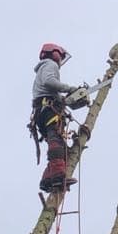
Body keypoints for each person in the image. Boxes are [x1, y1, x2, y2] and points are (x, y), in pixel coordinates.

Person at [31, 43, 78, 193]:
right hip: (48, 110)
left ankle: (48, 177)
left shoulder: (42, 68)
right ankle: (57, 173)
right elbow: (49, 82)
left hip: (42, 112)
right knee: (56, 140)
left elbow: (48, 89)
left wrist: (63, 100)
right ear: (54, 53)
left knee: (59, 145)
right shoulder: (50, 64)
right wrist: (70, 89)